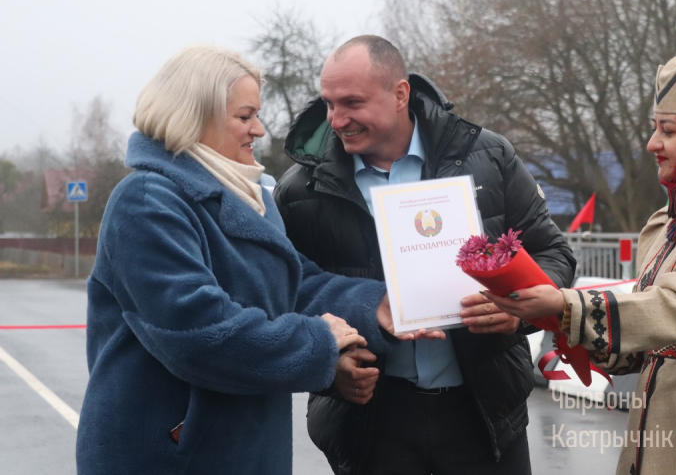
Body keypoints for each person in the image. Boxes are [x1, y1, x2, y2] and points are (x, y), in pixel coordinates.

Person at [75, 45, 425, 475]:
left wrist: (378, 306)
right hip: (169, 458)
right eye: (245, 116)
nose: (259, 129)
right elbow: (197, 331)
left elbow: (294, 286)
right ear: (194, 115)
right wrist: (318, 342)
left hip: (244, 450)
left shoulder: (249, 196)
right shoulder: (146, 200)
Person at [485, 48, 676, 474]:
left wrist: (566, 307)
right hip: (663, 423)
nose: (652, 144)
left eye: (666, 130)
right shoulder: (670, 222)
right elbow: (652, 335)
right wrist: (562, 322)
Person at [273, 35, 576, 475]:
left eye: (352, 103)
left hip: (485, 417)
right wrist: (328, 364)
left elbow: (553, 253)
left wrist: (519, 312)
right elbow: (285, 295)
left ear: (400, 94)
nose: (336, 120)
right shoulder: (299, 190)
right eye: (328, 104)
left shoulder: (488, 157)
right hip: (370, 425)